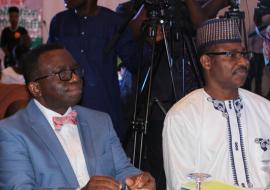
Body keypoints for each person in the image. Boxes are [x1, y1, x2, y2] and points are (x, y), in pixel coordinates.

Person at [0, 43, 155, 189]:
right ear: (36, 88)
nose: (75, 78)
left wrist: (138, 180)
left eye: (75, 70)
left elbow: (122, 170)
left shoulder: (100, 121)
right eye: (63, 74)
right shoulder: (12, 132)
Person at [116, 0, 229, 189]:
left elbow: (202, 26)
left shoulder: (182, 7)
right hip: (147, 96)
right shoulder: (129, 8)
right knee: (154, 160)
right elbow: (130, 31)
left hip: (184, 89)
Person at [163, 17, 270, 190]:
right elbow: (182, 185)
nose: (243, 62)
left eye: (243, 54)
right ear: (206, 62)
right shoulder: (182, 117)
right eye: (230, 55)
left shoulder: (265, 110)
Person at [47, 0, 139, 143]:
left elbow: (136, 63)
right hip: (65, 115)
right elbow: (49, 65)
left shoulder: (113, 22)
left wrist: (149, 40)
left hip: (103, 112)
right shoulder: (59, 22)